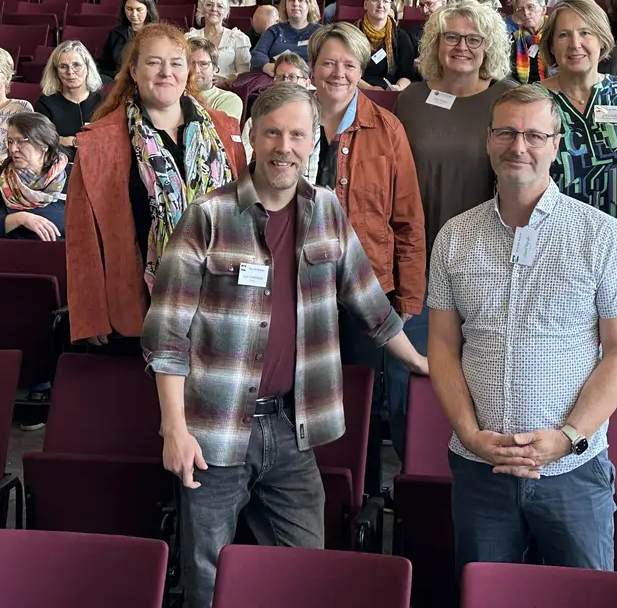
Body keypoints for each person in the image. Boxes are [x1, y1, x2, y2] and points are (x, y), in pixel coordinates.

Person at [145, 82, 429, 608]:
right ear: (252, 136)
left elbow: (367, 300)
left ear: (311, 142)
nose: (285, 147)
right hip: (214, 432)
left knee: (303, 576)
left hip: (292, 428)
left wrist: (417, 360)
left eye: (298, 135)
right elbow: (166, 335)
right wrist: (175, 429)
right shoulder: (207, 217)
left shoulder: (326, 210)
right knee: (209, 582)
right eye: (273, 133)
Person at [427, 83, 617, 572]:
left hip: (572, 468)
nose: (518, 146)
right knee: (485, 596)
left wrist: (568, 437)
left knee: (583, 597)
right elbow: (441, 346)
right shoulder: (454, 237)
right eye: (506, 132)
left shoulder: (605, 238)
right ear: (488, 140)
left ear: (556, 144)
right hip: (480, 467)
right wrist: (470, 434)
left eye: (534, 135)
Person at [393, 2, 516, 457]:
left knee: (485, 371)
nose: (461, 47)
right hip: (417, 260)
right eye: (451, 37)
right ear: (435, 43)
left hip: (487, 260)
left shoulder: (507, 99)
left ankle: (478, 459)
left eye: (473, 39)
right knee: (416, 370)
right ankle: (415, 467)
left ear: (489, 46)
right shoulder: (411, 100)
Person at [66, 22, 238, 349]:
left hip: (220, 301)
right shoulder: (99, 141)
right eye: (153, 62)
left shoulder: (225, 130)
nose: (166, 72)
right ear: (133, 70)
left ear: (188, 70)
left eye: (176, 63)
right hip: (138, 303)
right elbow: (81, 235)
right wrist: (90, 313)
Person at [305, 22, 427, 334]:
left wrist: (410, 293)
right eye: (328, 63)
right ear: (313, 68)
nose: (338, 73)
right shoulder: (288, 121)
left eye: (349, 65)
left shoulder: (389, 130)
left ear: (360, 71)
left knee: (363, 366)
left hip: (367, 285)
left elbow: (408, 217)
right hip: (297, 281)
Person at [541, 0, 617, 220]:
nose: (575, 44)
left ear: (602, 39)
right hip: (553, 236)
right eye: (564, 35)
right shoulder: (532, 101)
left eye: (585, 33)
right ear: (551, 45)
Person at [0, 112, 68, 241]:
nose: (13, 149)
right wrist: (19, 219)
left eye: (21, 141)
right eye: (10, 142)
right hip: (11, 249)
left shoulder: (70, 175)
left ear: (44, 145)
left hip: (60, 249)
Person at [35, 40, 101, 158]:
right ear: (56, 72)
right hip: (61, 165)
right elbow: (40, 140)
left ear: (87, 68)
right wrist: (61, 140)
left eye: (76, 65)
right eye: (63, 67)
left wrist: (69, 140)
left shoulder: (105, 102)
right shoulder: (45, 104)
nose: (70, 72)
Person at [356, 0, 420, 91]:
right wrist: (369, 88)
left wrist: (397, 88)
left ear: (390, 6)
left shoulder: (401, 37)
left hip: (390, 92)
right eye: (375, 0)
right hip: (358, 88)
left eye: (385, 1)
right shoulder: (353, 33)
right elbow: (346, 70)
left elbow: (407, 76)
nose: (380, 5)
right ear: (365, 4)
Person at [252, 0, 319, 76]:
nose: (295, 4)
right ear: (285, 5)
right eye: (291, 0)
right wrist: (267, 66)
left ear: (309, 5)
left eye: (301, 0)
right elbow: (257, 53)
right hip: (276, 78)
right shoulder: (274, 30)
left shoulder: (320, 32)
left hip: (309, 78)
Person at [192, 0, 253, 87]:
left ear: (226, 12)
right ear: (203, 9)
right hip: (195, 87)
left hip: (228, 90)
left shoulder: (238, 38)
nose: (214, 9)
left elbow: (244, 74)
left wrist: (225, 82)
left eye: (220, 6)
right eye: (209, 5)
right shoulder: (191, 36)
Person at [99, 0, 158, 80]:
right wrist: (115, 75)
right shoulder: (116, 33)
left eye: (139, 9)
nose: (134, 14)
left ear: (147, 9)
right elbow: (104, 67)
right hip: (120, 82)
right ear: (124, 9)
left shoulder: (159, 34)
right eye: (129, 9)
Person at [186, 36, 245, 120]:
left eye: (203, 64)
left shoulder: (229, 99)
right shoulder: (172, 94)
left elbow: (219, 128)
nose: (196, 70)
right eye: (189, 63)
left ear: (215, 69)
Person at [507, 0, 547, 84]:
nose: (525, 13)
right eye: (520, 9)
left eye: (530, 7)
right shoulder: (515, 40)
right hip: (522, 89)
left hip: (551, 88)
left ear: (543, 10)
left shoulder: (555, 35)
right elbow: (510, 73)